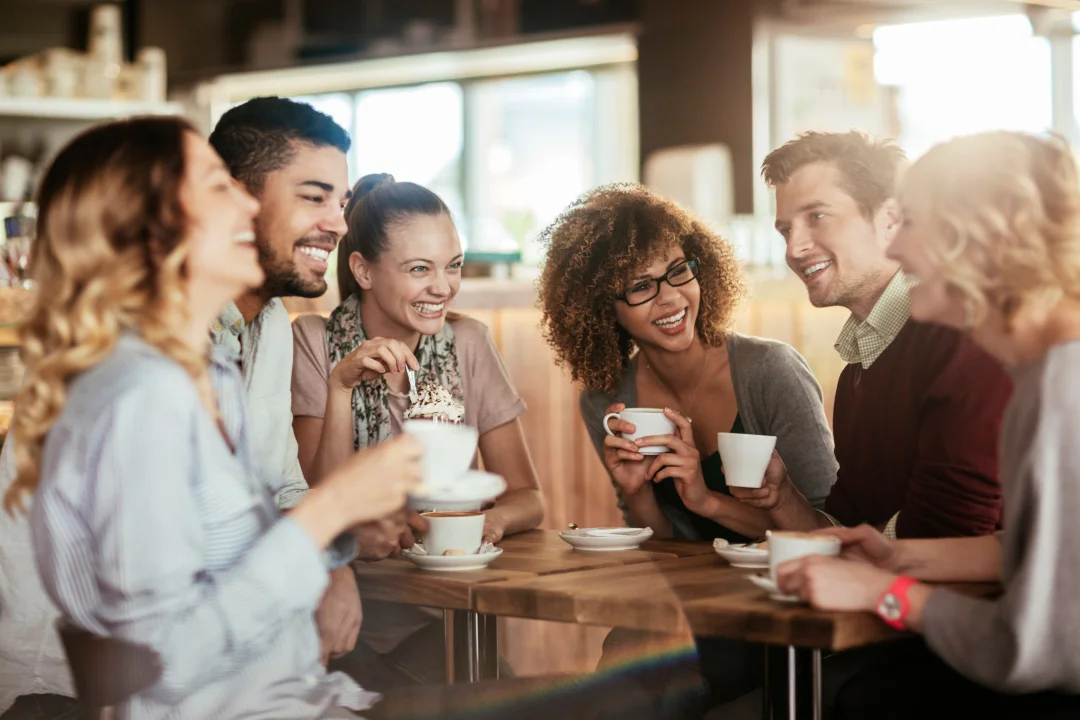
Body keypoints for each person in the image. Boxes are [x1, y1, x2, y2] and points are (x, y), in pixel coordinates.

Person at [3, 117, 422, 718]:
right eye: (219, 188)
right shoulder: (135, 394)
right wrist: (328, 515)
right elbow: (157, 663)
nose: (337, 222)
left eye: (341, 200)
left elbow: (225, 548)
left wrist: (342, 534)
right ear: (150, 230)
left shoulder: (216, 370)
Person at [776, 130, 1080, 719]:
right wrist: (898, 559)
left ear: (974, 238)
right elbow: (1038, 554)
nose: (902, 246)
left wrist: (884, 593)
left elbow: (1041, 650)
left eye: (911, 221)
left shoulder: (1061, 391)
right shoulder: (1043, 378)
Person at [534, 183, 837, 711]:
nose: (672, 297)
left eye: (679, 270)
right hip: (686, 609)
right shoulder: (608, 401)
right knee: (619, 679)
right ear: (603, 307)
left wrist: (706, 500)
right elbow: (665, 548)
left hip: (783, 612)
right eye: (640, 286)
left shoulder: (770, 372)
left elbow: (826, 532)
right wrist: (641, 497)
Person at [291, 173, 545, 685]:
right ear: (362, 269)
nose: (442, 287)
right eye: (419, 269)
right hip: (338, 619)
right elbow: (320, 504)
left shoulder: (468, 342)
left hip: (442, 615)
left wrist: (482, 525)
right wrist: (340, 389)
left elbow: (528, 497)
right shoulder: (314, 342)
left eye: (452, 266)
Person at [732, 131, 1012, 540]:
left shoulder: (956, 336)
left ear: (890, 219)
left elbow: (951, 533)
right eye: (785, 230)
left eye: (817, 217)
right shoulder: (858, 372)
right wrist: (782, 499)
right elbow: (851, 530)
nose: (794, 248)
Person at [206, 96, 369, 670]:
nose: (340, 224)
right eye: (313, 197)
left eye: (341, 202)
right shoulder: (160, 330)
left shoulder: (270, 321)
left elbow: (283, 489)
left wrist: (334, 565)